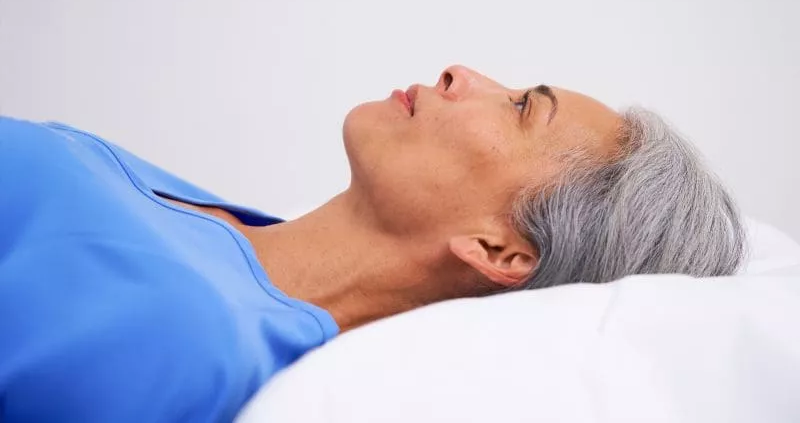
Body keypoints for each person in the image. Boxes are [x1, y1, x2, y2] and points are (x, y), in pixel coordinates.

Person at [0, 65, 745, 422]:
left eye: (522, 108)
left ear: (500, 250)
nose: (462, 72)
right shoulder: (209, 226)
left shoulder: (180, 333)